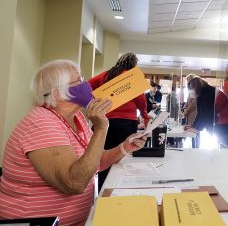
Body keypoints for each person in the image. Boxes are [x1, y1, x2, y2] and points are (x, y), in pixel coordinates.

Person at [0, 60, 147, 225]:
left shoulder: (77, 117)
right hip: (40, 222)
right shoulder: (41, 122)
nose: (86, 85)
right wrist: (100, 128)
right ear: (57, 94)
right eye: (79, 81)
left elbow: (95, 162)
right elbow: (74, 183)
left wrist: (125, 147)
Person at [88, 53, 150, 190]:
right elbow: (141, 100)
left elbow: (87, 86)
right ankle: (118, 190)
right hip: (126, 123)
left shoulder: (106, 75)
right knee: (121, 157)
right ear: (133, 65)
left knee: (102, 159)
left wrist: (97, 99)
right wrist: (145, 115)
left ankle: (103, 192)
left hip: (104, 122)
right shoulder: (131, 77)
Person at [186, 77, 228, 148]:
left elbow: (206, 114)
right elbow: (200, 112)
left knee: (224, 149)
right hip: (224, 122)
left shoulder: (208, 93)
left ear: (197, 87)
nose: (191, 91)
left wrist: (197, 128)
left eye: (192, 88)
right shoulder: (202, 94)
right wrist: (194, 126)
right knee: (220, 148)